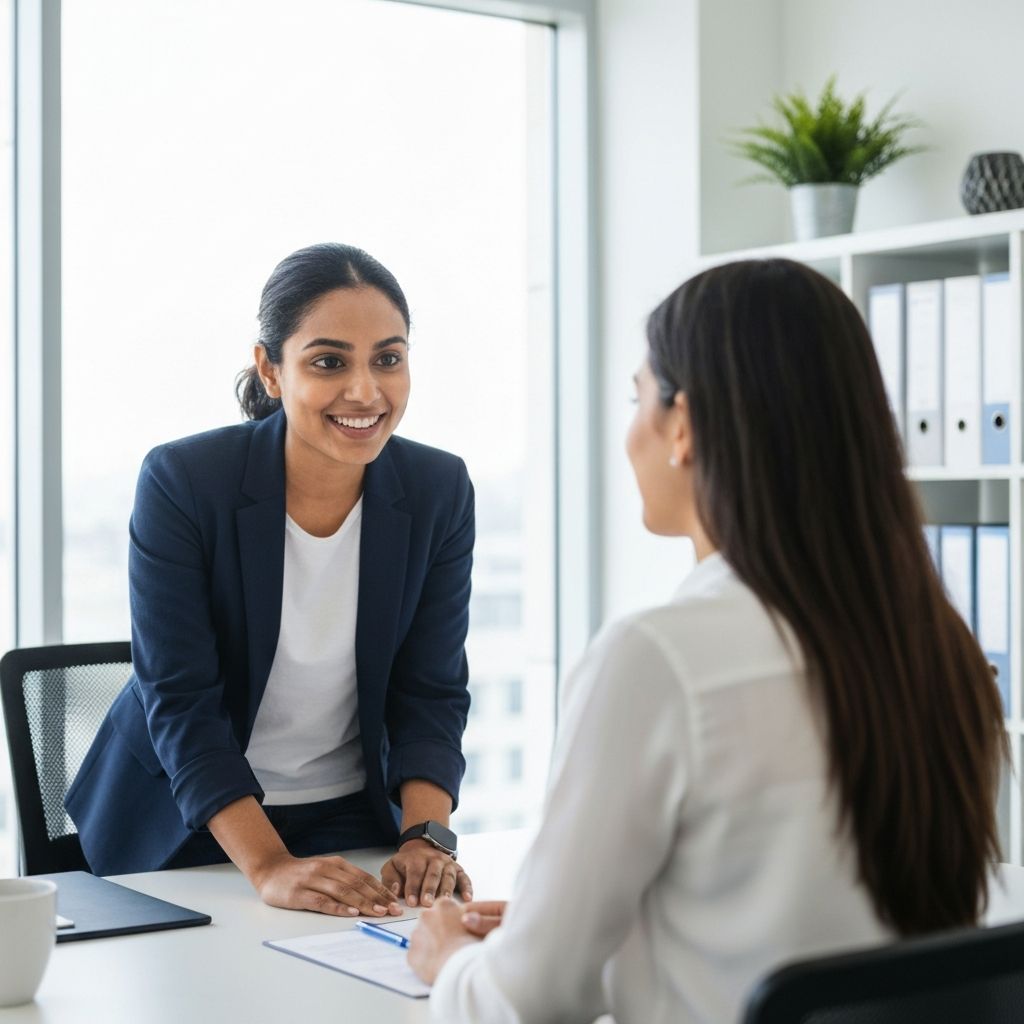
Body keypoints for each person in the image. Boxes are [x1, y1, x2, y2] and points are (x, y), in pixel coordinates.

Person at [408, 258, 1007, 1022]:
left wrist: (453, 959)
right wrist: (576, 934)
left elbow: (530, 1005)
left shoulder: (657, 660)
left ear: (683, 425)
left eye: (637, 399)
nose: (630, 433)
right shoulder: (939, 645)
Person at [66, 243, 475, 918]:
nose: (366, 391)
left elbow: (430, 689)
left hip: (355, 822)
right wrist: (270, 865)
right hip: (188, 824)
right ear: (272, 369)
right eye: (329, 361)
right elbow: (181, 700)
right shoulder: (186, 483)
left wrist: (426, 837)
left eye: (389, 359)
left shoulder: (437, 491)